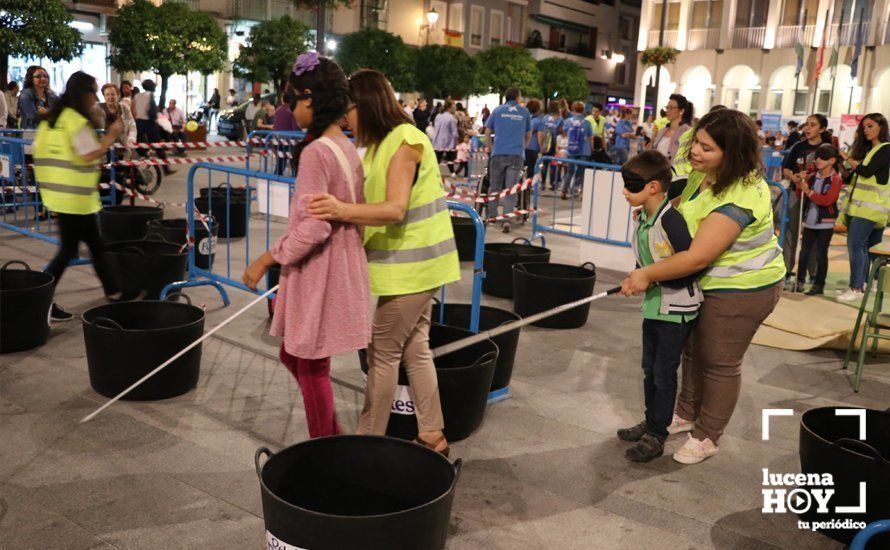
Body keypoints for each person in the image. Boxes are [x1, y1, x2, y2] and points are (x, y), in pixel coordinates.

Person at [308, 68, 460, 455]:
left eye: (349, 110)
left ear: (368, 104)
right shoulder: (378, 144)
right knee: (415, 349)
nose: (346, 119)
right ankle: (432, 435)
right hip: (404, 269)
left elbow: (394, 209)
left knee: (383, 353)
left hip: (414, 270)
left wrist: (340, 209)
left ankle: (368, 442)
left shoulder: (405, 140)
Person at [621, 109, 786, 464]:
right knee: (692, 352)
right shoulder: (704, 173)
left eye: (707, 148)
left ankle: (708, 434)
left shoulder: (740, 196)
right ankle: (685, 413)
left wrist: (646, 275)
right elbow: (682, 205)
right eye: (696, 141)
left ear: (732, 154)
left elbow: (696, 257)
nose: (695, 151)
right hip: (707, 283)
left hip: (743, 288)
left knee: (719, 362)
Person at [242, 53, 370, 439]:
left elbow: (315, 228)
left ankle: (325, 450)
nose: (290, 110)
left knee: (311, 365)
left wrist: (267, 258)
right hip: (341, 266)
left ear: (310, 99)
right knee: (296, 354)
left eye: (292, 101)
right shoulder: (345, 147)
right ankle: (333, 436)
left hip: (320, 270)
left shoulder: (317, 152)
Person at [618, 150, 702, 462]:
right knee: (648, 370)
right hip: (655, 307)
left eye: (631, 185)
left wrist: (651, 279)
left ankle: (657, 434)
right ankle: (652, 420)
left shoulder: (671, 220)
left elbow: (690, 265)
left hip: (676, 309)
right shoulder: (644, 218)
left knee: (663, 373)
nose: (625, 190)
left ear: (653, 187)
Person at [33, 72, 136, 321]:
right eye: (93, 91)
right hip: (74, 199)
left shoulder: (53, 118)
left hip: (61, 195)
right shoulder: (75, 121)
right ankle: (38, 301)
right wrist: (111, 135)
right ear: (83, 93)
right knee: (68, 252)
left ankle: (114, 292)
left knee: (95, 245)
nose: (96, 97)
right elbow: (89, 154)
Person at [837, 113, 890, 302]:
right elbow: (855, 177)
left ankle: (856, 287)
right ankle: (866, 284)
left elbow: (866, 172)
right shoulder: (871, 151)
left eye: (870, 126)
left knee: (856, 246)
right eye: (863, 128)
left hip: (868, 210)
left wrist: (847, 158)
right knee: (868, 249)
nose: (866, 131)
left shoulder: (885, 149)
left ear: (881, 127)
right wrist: (845, 167)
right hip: (869, 209)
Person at [781, 113, 830, 281]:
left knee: (814, 234)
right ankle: (787, 269)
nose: (808, 128)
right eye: (807, 124)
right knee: (791, 232)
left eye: (813, 125)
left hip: (817, 197)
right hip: (797, 193)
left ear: (822, 128)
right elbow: (786, 168)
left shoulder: (827, 148)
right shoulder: (798, 147)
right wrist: (793, 176)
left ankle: (812, 272)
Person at [796, 144, 843, 296]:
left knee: (821, 254)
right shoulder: (811, 176)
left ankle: (818, 285)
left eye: (823, 158)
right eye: (817, 157)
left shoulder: (835, 179)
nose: (818, 160)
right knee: (804, 253)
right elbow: (800, 194)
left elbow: (827, 200)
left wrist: (808, 191)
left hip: (825, 223)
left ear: (832, 161)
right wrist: (800, 183)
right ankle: (799, 281)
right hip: (809, 221)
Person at [485, 87, 531, 233]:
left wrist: (489, 147)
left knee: (495, 187)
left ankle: (492, 216)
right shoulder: (524, 112)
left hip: (498, 153)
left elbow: (487, 130)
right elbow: (528, 134)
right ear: (517, 97)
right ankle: (507, 219)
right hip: (516, 154)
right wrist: (523, 147)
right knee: (511, 189)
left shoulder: (498, 110)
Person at [132, 79, 175, 175]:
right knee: (158, 145)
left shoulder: (137, 96)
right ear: (152, 87)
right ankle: (166, 169)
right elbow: (151, 110)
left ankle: (144, 155)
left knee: (139, 142)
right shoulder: (150, 95)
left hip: (139, 122)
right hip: (149, 123)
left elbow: (134, 109)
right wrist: (155, 119)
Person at [561, 101, 594, 200]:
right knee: (582, 172)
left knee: (569, 171)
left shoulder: (567, 121)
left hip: (571, 149)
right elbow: (591, 138)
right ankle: (580, 192)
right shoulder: (587, 123)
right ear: (583, 110)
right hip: (584, 150)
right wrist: (591, 149)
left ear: (573, 109)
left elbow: (564, 135)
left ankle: (563, 191)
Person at [651, 94, 693, 165]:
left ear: (681, 110)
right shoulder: (662, 131)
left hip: (675, 174)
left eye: (671, 107)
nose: (668, 110)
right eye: (667, 107)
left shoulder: (687, 132)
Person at [539, 101, 563, 190]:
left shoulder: (544, 118)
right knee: (553, 163)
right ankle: (552, 183)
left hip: (545, 142)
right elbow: (561, 131)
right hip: (554, 142)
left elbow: (541, 131)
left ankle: (543, 183)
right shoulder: (559, 119)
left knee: (544, 163)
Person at [432, 100, 458, 174]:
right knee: (450, 157)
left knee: (437, 158)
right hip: (448, 140)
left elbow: (435, 126)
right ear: (450, 108)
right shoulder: (451, 118)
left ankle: (433, 172)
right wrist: (456, 140)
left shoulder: (438, 116)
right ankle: (452, 172)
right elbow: (454, 131)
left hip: (437, 139)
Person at [525, 99, 542, 181]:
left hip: (524, 146)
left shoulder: (526, 118)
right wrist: (541, 148)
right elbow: (539, 137)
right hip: (533, 147)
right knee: (532, 167)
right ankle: (529, 184)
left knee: (524, 165)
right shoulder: (539, 121)